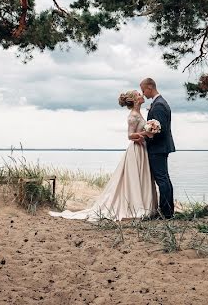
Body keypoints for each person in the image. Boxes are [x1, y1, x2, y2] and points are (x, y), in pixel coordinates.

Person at [50, 90, 157, 221]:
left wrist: (148, 131)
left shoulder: (139, 113)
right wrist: (146, 133)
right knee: (135, 178)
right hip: (136, 150)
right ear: (135, 100)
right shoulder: (132, 116)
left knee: (143, 176)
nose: (141, 96)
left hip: (142, 149)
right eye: (139, 95)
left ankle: (146, 205)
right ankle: (135, 207)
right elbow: (130, 135)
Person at [140, 77, 176, 218]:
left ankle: (165, 212)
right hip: (160, 147)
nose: (143, 94)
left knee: (162, 180)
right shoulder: (159, 103)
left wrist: (147, 136)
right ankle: (167, 211)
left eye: (143, 90)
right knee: (164, 179)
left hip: (158, 148)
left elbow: (161, 130)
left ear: (150, 87)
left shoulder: (159, 105)